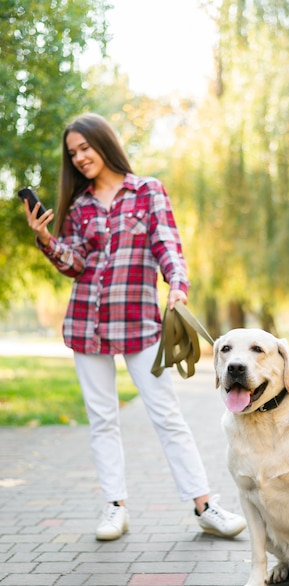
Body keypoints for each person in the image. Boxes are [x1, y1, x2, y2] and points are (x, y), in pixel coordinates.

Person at [24, 112, 246, 541]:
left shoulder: (147, 191)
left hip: (140, 323)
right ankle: (114, 506)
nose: (80, 157)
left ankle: (205, 505)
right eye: (73, 153)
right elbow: (78, 264)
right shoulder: (80, 205)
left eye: (85, 147)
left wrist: (177, 287)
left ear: (104, 144)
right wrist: (48, 240)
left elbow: (168, 246)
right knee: (102, 419)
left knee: (167, 415)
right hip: (87, 323)